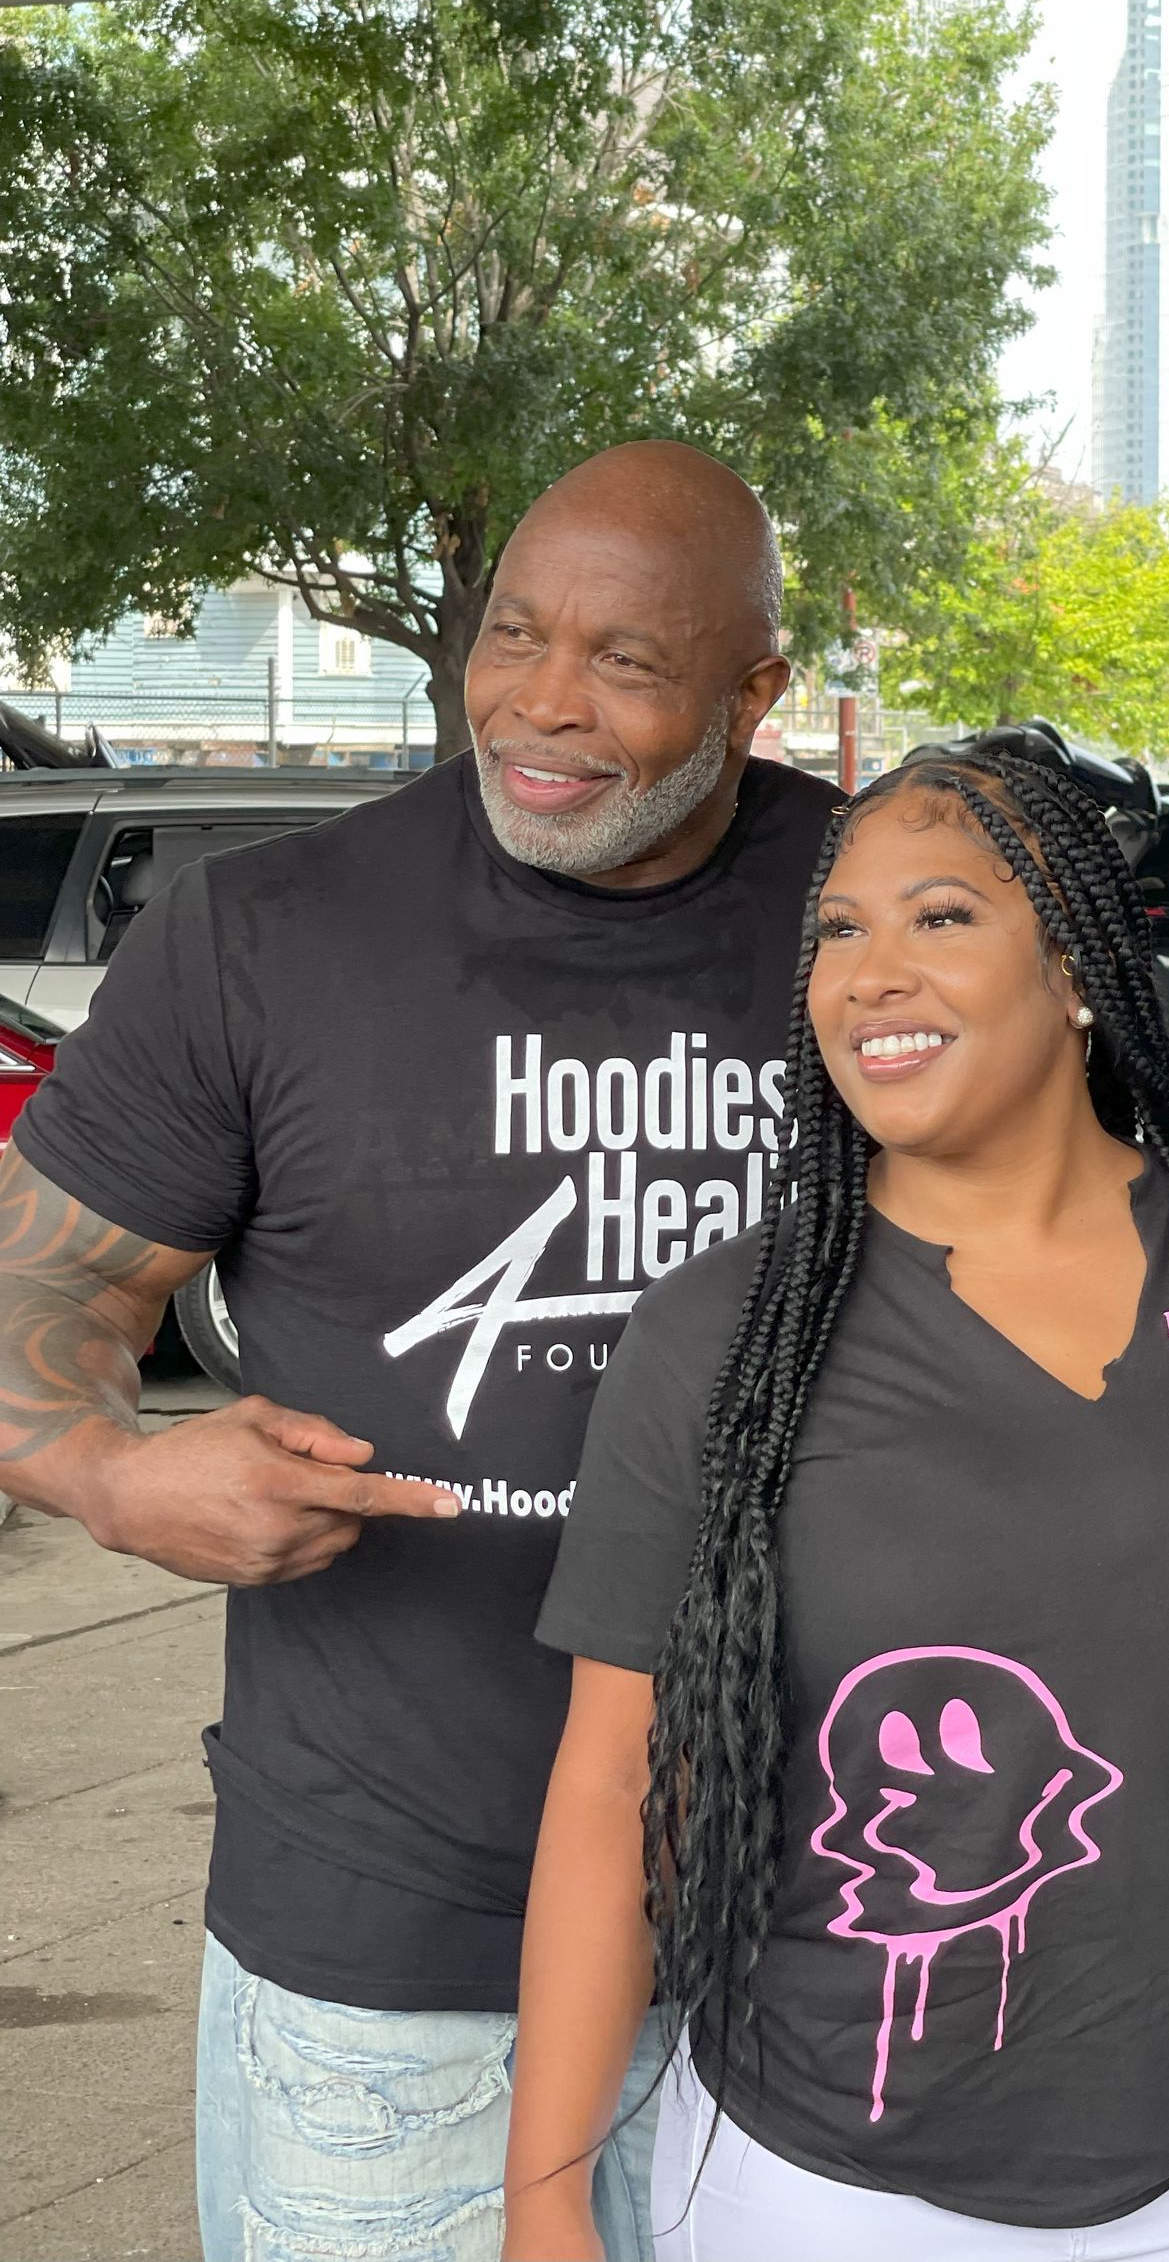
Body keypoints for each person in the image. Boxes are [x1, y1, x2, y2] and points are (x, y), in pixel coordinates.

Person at [0, 441, 837, 2262]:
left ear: (756, 690)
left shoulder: (885, 923)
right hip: (400, 1964)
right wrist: (113, 1474)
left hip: (827, 1939)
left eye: (626, 661)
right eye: (514, 635)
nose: (542, 703)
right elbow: (35, 1303)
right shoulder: (266, 935)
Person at [502, 748, 1169, 2262]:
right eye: (837, 931)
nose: (869, 975)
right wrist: (547, 2193)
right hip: (815, 2177)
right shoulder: (726, 1337)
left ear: (1080, 965)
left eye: (941, 918)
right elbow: (619, 1789)